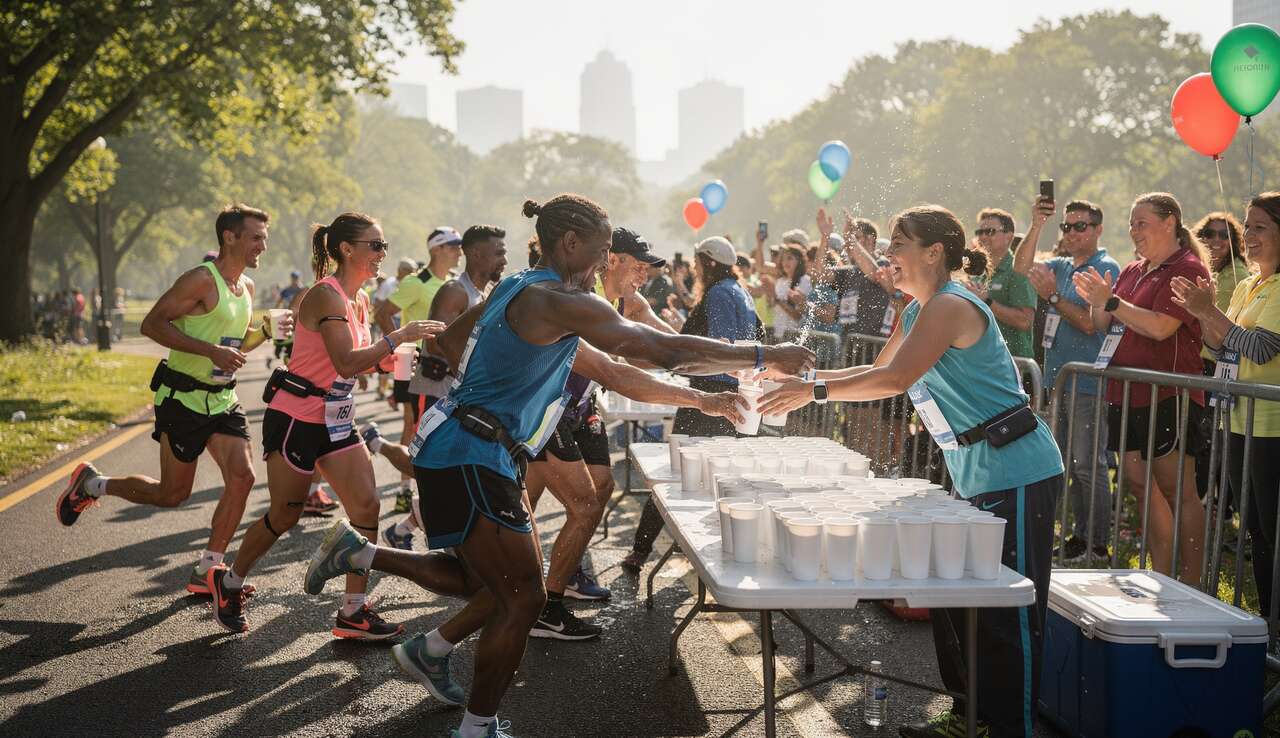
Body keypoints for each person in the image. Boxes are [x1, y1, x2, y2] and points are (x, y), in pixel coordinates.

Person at [301, 195, 813, 738]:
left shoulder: (522, 289)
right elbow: (659, 350)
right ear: (569, 243)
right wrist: (762, 356)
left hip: (463, 448)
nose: (602, 264)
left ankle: (371, 568)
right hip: (474, 453)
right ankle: (476, 728)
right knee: (524, 597)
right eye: (599, 252)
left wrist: (706, 402)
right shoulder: (557, 299)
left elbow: (467, 348)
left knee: (483, 581)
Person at [761, 204, 1064, 738]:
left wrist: (811, 390)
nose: (889, 254)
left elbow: (896, 379)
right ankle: (968, 718)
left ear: (934, 252)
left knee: (1004, 613)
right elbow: (877, 369)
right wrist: (798, 375)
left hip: (1017, 468)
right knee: (953, 598)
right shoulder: (918, 309)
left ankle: (1010, 728)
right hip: (974, 469)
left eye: (898, 243)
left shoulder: (949, 304)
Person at [207, 211, 443, 635]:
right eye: (376, 245)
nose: (382, 254)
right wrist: (397, 337)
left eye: (384, 246)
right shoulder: (325, 296)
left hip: (336, 416)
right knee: (285, 515)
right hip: (296, 416)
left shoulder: (360, 299)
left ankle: (353, 610)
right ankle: (229, 580)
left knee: (367, 505)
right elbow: (345, 360)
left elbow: (363, 363)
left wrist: (395, 360)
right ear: (347, 249)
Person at [56, 205, 281, 599]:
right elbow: (152, 324)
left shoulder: (245, 288)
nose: (263, 245)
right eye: (256, 237)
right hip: (183, 400)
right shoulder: (200, 280)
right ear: (229, 237)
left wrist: (262, 331)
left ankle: (208, 568)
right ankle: (93, 484)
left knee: (242, 479)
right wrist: (209, 351)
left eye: (264, 237)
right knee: (172, 494)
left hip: (222, 400)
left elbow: (235, 346)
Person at [1073, 192, 1210, 584]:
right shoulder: (1133, 269)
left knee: (1175, 488)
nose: (1134, 231)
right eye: (1131, 223)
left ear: (1170, 222)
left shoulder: (1185, 267)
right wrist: (1097, 302)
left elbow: (1160, 327)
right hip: (1125, 391)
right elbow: (1105, 326)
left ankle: (1192, 582)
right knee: (1138, 484)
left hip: (1167, 393)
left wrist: (1111, 301)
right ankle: (1161, 576)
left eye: (1141, 222)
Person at [623, 235, 764, 574]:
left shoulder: (717, 293)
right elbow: (751, 336)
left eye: (698, 262)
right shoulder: (741, 291)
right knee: (727, 478)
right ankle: (725, 553)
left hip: (712, 397)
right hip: (739, 396)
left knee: (675, 474)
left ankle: (640, 552)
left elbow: (719, 346)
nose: (696, 269)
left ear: (708, 263)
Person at [1172, 192, 1280, 616]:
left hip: (1272, 426)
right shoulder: (1247, 283)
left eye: (1261, 227)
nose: (1248, 236)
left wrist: (1210, 313)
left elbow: (1259, 348)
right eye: (1247, 226)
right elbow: (1220, 346)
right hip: (1237, 419)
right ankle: (1269, 625)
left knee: (1272, 530)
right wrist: (1201, 315)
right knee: (1254, 529)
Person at [380, 225, 508, 550]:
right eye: (499, 252)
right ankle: (376, 444)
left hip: (463, 392)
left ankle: (406, 529)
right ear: (476, 254)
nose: (505, 257)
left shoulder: (486, 291)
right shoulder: (454, 290)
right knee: (431, 462)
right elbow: (437, 345)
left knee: (454, 466)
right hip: (436, 386)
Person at [1014, 198, 1122, 563]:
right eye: (1067, 226)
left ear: (1097, 230)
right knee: (1063, 465)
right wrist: (1037, 224)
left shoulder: (1104, 267)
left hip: (1088, 384)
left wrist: (1055, 297)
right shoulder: (1060, 264)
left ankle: (1097, 545)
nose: (1072, 233)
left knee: (1087, 467)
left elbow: (1092, 323)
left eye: (1081, 226)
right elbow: (1021, 265)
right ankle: (1077, 538)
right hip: (1057, 384)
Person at [376, 226, 463, 514]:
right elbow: (383, 312)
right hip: (417, 366)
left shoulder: (455, 282)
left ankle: (434, 489)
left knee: (442, 427)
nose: (458, 251)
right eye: (452, 246)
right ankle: (404, 490)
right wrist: (397, 347)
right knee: (413, 425)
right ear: (436, 249)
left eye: (460, 245)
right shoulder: (417, 281)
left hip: (450, 369)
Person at [969, 208, 1037, 358]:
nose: (983, 237)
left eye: (990, 231)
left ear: (1009, 236)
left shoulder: (1018, 271)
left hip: (1014, 365)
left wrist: (987, 301)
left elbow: (1025, 321)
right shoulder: (977, 272)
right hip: (985, 362)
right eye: (980, 232)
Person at [371, 258, 417, 398]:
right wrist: (382, 319)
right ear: (400, 270)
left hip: (403, 322)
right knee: (385, 354)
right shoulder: (388, 284)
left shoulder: (410, 284)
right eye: (409, 271)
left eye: (413, 271)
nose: (412, 274)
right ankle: (382, 388)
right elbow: (377, 302)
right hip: (388, 320)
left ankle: (395, 390)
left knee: (401, 357)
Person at [770, 243, 811, 340]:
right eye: (783, 259)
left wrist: (778, 301)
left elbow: (798, 316)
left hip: (794, 336)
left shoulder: (805, 281)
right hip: (778, 334)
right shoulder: (780, 282)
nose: (785, 262)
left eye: (790, 258)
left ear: (799, 261)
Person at [267, 270, 306, 369]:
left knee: (292, 347)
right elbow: (279, 303)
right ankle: (272, 359)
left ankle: (290, 366)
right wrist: (275, 314)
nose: (295, 280)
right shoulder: (286, 290)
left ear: (299, 278)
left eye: (296, 278)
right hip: (285, 317)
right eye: (293, 278)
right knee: (278, 348)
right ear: (291, 278)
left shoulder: (303, 290)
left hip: (298, 319)